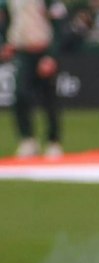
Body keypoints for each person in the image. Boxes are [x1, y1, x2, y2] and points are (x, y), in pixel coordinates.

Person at [2, 0, 66, 159]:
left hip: (43, 49)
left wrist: (51, 55)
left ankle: (53, 141)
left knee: (48, 98)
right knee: (20, 94)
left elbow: (59, 25)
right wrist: (7, 42)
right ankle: (28, 140)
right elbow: (8, 20)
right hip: (23, 51)